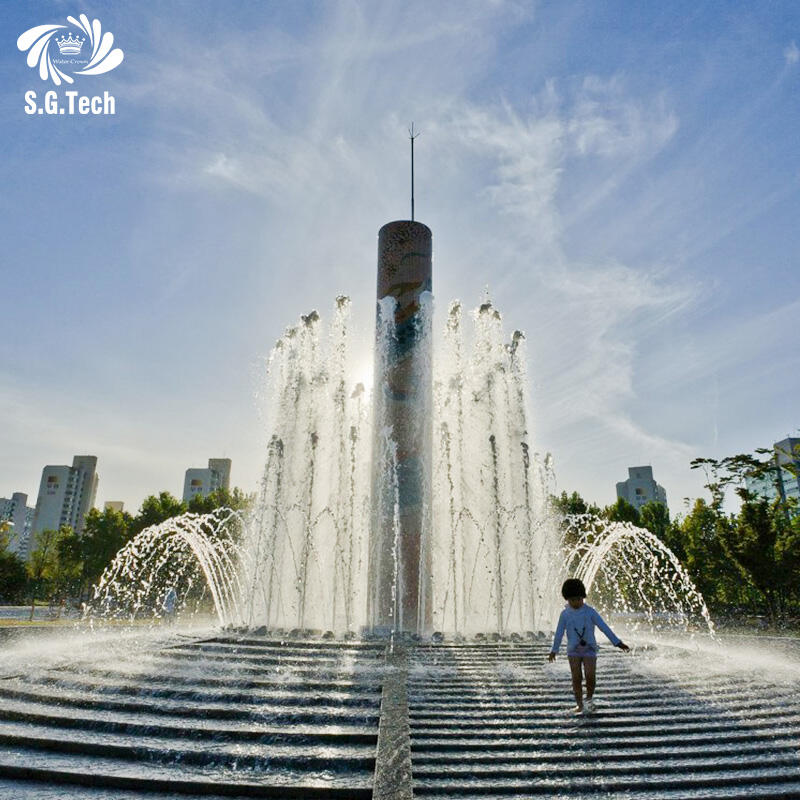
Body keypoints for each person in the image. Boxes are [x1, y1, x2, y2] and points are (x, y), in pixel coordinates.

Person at [548, 578, 630, 714]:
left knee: (590, 676)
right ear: (567, 599)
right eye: (572, 600)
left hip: (590, 649)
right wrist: (554, 650)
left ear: (583, 597)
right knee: (576, 677)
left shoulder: (590, 612)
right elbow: (558, 633)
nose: (575, 603)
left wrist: (617, 643)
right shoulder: (565, 614)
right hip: (573, 651)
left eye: (578, 599)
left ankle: (589, 698)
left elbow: (604, 627)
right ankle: (579, 704)